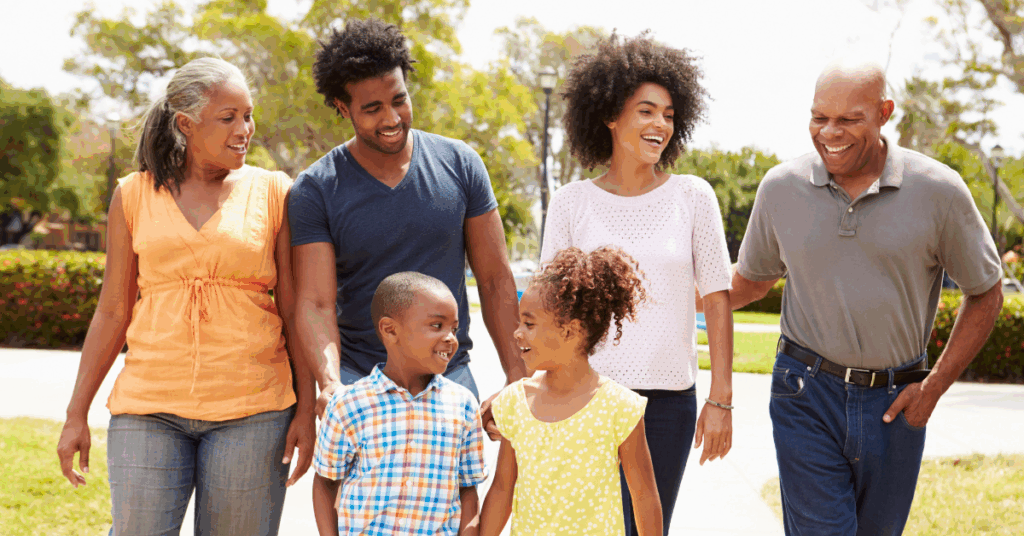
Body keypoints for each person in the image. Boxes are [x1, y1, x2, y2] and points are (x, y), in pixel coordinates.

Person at [727, 59, 1003, 535]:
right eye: (819, 117)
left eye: (848, 119)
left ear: (884, 113)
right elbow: (752, 279)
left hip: (897, 404)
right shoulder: (780, 188)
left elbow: (986, 291)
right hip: (804, 392)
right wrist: (669, 293)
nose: (829, 132)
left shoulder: (939, 191)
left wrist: (933, 387)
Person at [55, 57, 315, 535]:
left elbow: (295, 307)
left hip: (253, 412)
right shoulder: (133, 194)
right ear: (186, 124)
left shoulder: (275, 191)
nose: (245, 129)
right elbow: (112, 310)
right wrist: (76, 413)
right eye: (228, 117)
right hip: (148, 409)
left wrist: (305, 407)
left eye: (249, 115)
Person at [541, 31, 734, 535]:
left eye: (669, 114)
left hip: (667, 403)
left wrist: (721, 398)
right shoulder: (571, 203)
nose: (660, 125)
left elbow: (717, 296)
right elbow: (549, 309)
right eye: (646, 111)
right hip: (585, 398)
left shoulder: (694, 197)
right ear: (610, 115)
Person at [289, 17, 525, 421]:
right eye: (372, 108)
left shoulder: (461, 164)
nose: (391, 118)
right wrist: (330, 383)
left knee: (463, 488)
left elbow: (495, 279)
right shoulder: (315, 189)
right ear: (342, 108)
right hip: (360, 384)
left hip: (451, 380)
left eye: (398, 99)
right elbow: (316, 302)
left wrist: (517, 376)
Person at [479, 246, 662, 536]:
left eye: (529, 323)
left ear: (569, 331)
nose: (517, 333)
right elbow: (502, 487)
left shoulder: (619, 407)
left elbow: (643, 496)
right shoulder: (515, 402)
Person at [312, 272, 486, 536]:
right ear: (390, 330)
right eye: (437, 326)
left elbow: (468, 487)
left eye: (454, 328)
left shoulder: (463, 405)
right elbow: (325, 482)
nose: (451, 338)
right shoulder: (348, 405)